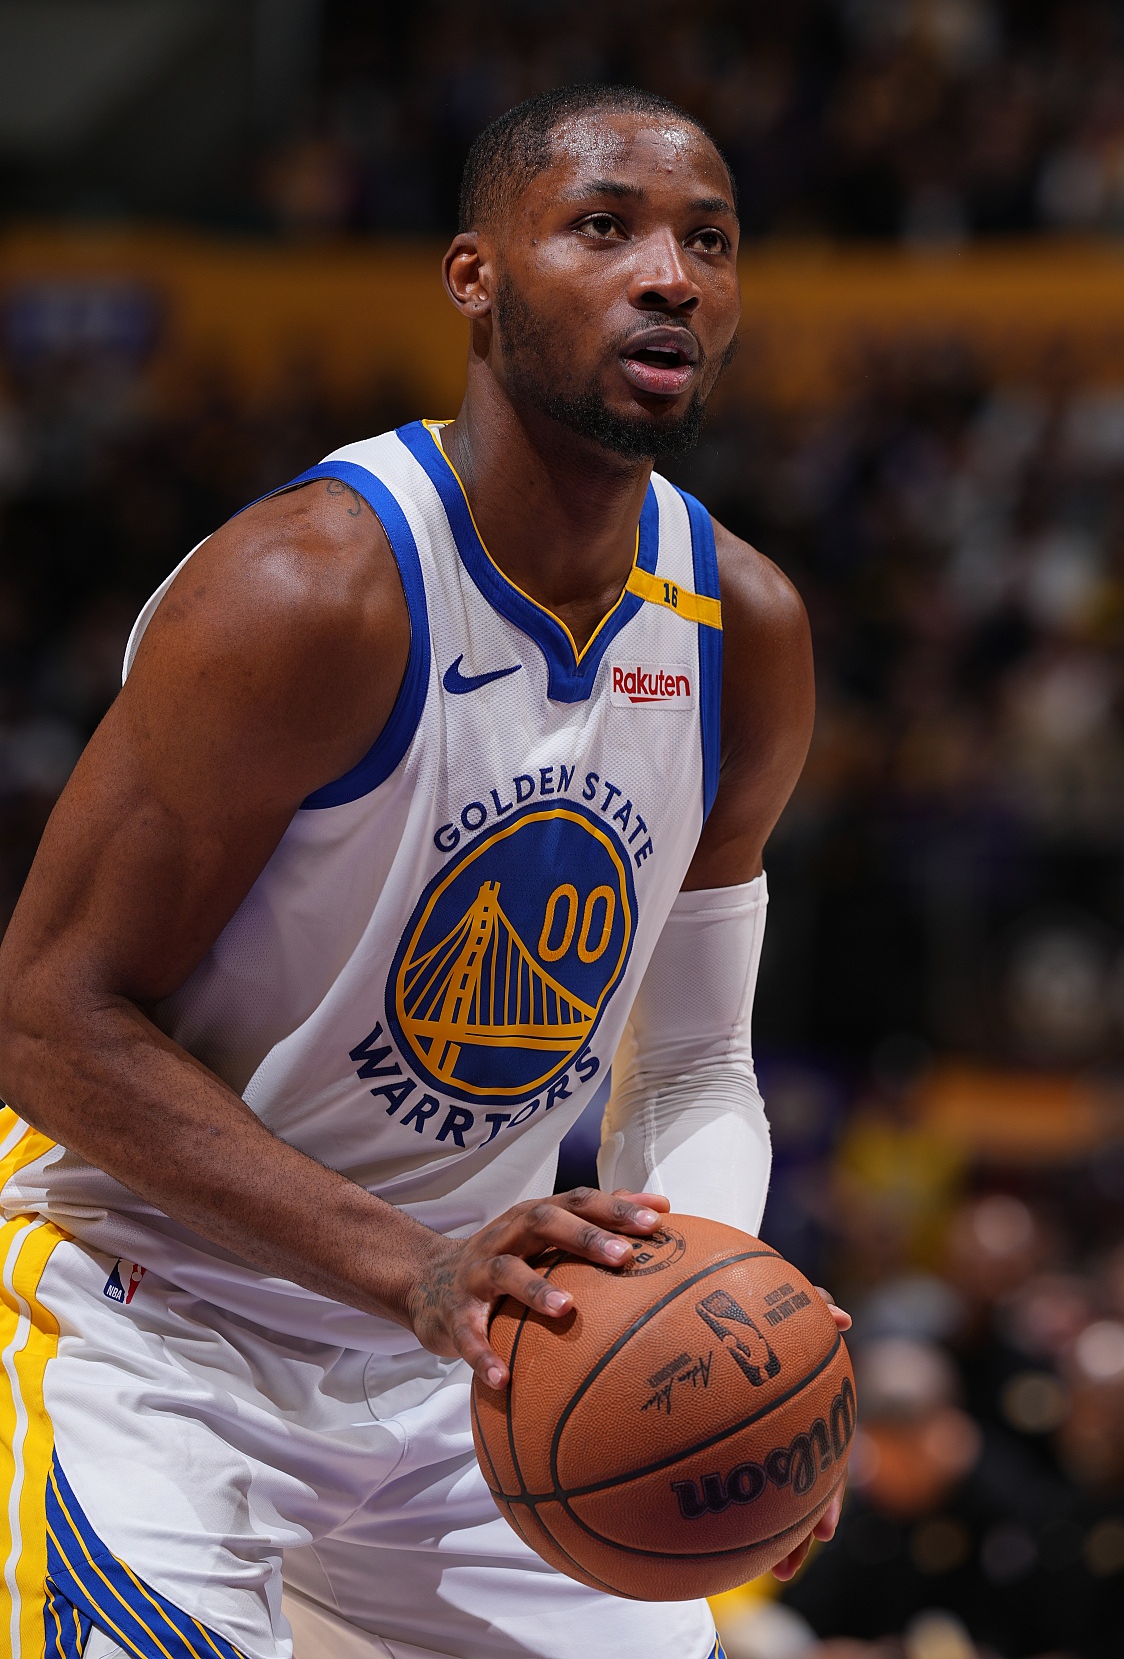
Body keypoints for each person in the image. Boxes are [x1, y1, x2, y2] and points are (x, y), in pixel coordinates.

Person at [0, 84, 841, 1659]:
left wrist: (730, 1339)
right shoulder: (308, 592)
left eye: (708, 242)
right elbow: (43, 1015)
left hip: (474, 1349)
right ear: (474, 276)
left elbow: (692, 1064)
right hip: (154, 1315)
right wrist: (414, 1267)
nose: (668, 275)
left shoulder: (744, 630)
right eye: (603, 228)